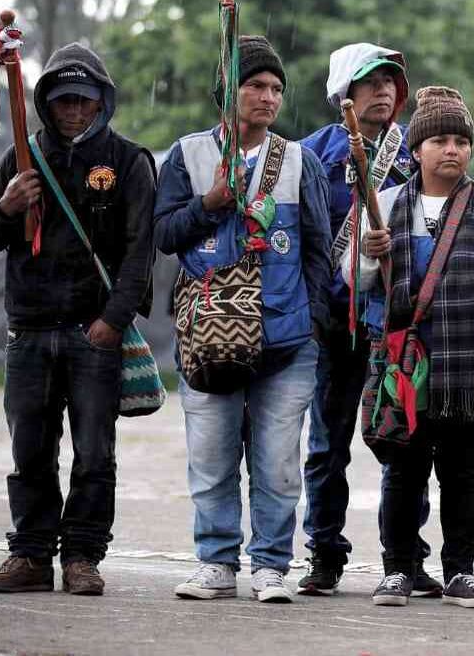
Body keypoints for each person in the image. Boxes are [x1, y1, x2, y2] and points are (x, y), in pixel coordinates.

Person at [156, 35, 332, 603]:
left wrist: (313, 323)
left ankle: (272, 566)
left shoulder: (300, 160)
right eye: (255, 85)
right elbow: (162, 236)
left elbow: (317, 250)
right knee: (211, 457)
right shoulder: (186, 155)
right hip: (208, 335)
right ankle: (216, 562)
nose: (268, 96)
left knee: (279, 463)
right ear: (226, 90)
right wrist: (208, 204)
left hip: (287, 338)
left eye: (276, 88)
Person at [0, 44, 156, 596]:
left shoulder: (128, 161)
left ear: (102, 101)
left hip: (93, 331)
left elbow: (139, 252)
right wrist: (8, 206)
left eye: (83, 100)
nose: (72, 111)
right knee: (29, 450)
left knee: (95, 453)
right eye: (62, 102)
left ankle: (82, 556)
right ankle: (30, 555)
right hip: (28, 330)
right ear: (45, 104)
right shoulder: (21, 159)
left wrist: (112, 319)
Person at [346, 86, 474, 609]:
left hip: (466, 359)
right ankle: (398, 570)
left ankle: (460, 571)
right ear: (417, 150)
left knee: (460, 469)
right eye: (441, 140)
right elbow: (352, 277)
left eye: (461, 141)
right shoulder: (382, 205)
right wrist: (368, 255)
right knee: (402, 466)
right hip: (400, 362)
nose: (452, 150)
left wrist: (447, 296)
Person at [296, 44, 438, 598]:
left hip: (395, 321)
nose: (383, 91)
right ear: (343, 94)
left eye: (390, 82)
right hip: (331, 321)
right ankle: (324, 553)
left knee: (402, 440)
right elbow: (307, 242)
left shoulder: (416, 154)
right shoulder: (311, 156)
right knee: (327, 444)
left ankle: (405, 559)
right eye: (370, 81)